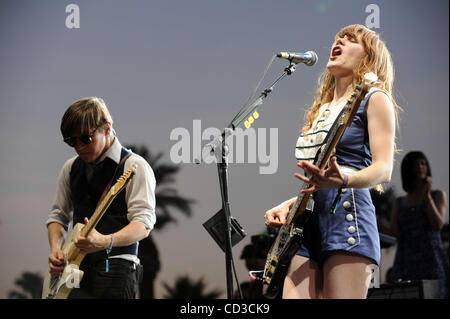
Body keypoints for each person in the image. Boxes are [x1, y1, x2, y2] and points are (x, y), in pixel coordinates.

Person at [264, 24, 400, 299]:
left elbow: (383, 170)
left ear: (369, 57)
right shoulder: (321, 111)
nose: (339, 43)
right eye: (338, 38)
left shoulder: (374, 98)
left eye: (350, 40)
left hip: (348, 214)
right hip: (306, 220)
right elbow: (319, 176)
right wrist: (290, 204)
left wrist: (345, 179)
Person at [46, 97, 156, 298]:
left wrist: (106, 241)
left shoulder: (135, 166)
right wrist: (56, 249)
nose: (78, 146)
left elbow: (143, 224)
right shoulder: (70, 168)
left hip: (116, 268)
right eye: (71, 141)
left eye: (85, 139)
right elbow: (57, 216)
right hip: (73, 271)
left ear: (107, 128)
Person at [389, 151, 448, 299]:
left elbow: (438, 224)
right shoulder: (400, 202)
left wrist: (427, 196)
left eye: (423, 163)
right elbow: (395, 232)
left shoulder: (437, 195)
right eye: (416, 164)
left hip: (431, 259)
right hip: (406, 260)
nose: (421, 167)